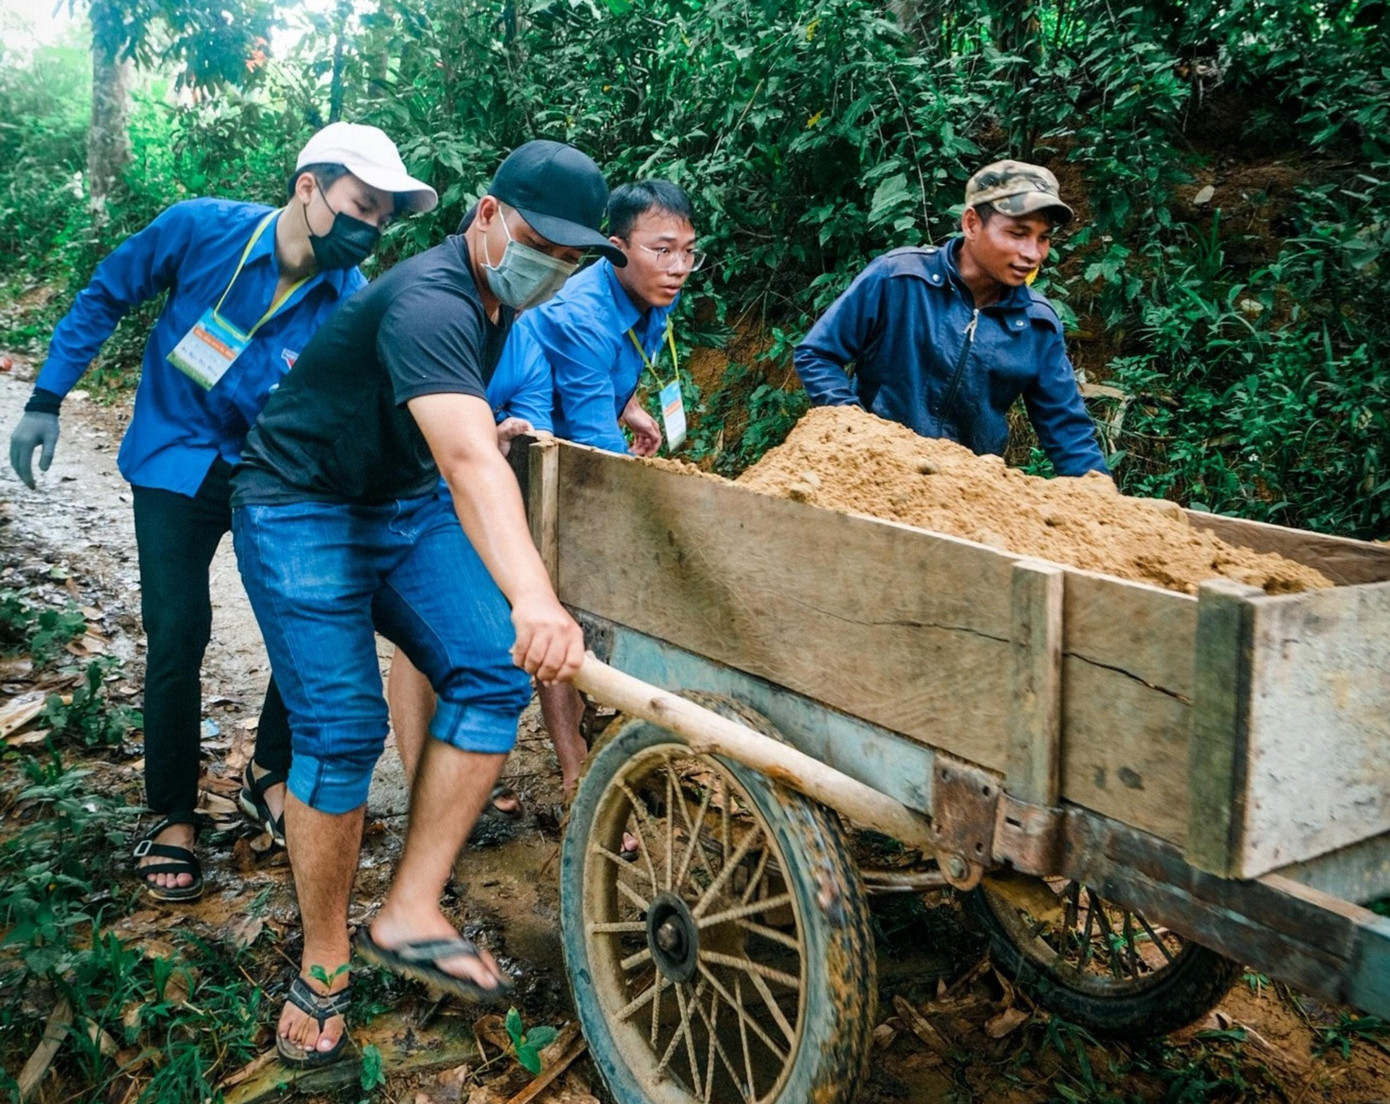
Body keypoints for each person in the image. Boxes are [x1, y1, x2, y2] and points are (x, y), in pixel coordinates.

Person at [229, 140, 609, 1068]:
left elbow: (458, 429)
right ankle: (324, 959)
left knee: (489, 671)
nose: (551, 269)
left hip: (397, 501)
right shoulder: (433, 298)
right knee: (341, 730)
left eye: (570, 259)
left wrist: (478, 428)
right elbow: (469, 465)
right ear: (487, 216)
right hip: (297, 503)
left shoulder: (498, 302)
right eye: (538, 245)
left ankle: (408, 909)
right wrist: (536, 598)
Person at [5, 123, 436, 902]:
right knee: (179, 630)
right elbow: (107, 293)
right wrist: (46, 397)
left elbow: (365, 402)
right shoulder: (201, 230)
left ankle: (268, 770)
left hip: (270, 476)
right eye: (361, 206)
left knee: (312, 612)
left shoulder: (347, 299)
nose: (371, 229)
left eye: (383, 218)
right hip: (174, 457)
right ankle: (172, 812)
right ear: (308, 187)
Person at [387, 180, 700, 806]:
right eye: (663, 250)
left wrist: (626, 404)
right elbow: (583, 438)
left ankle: (536, 767)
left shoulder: (529, 326)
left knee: (535, 611)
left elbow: (546, 410)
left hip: (518, 471)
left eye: (688, 252)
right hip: (438, 479)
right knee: (431, 630)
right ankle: (436, 782)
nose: (678, 267)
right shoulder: (439, 309)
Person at [794, 160, 1109, 477]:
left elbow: (1068, 431)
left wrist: (1098, 493)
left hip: (962, 487)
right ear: (971, 224)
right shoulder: (899, 280)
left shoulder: (1037, 324)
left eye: (1043, 238)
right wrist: (854, 426)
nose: (1033, 253)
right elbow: (817, 354)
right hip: (872, 471)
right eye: (1018, 233)